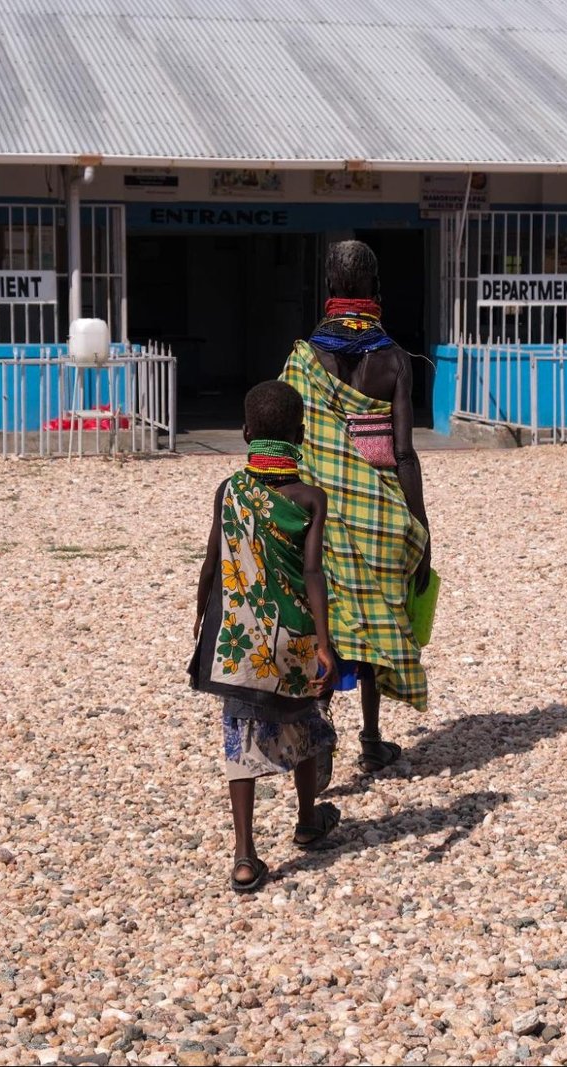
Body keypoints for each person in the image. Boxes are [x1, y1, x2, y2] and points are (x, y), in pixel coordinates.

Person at [280, 240, 431, 774]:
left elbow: (286, 442)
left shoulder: (303, 358)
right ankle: (371, 738)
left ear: (329, 288)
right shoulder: (393, 360)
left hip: (316, 514)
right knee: (372, 622)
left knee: (327, 620)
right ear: (375, 290)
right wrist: (420, 525)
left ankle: (318, 744)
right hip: (380, 513)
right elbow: (404, 453)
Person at [188, 381, 342, 892]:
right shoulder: (310, 498)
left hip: (239, 642)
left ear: (247, 433)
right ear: (299, 435)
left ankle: (245, 856)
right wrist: (323, 643)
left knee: (239, 738)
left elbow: (212, 562)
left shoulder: (229, 491)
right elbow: (313, 574)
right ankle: (305, 821)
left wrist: (198, 619)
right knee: (304, 721)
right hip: (293, 638)